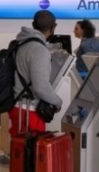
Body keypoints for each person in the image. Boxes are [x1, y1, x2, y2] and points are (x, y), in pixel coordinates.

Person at [9, 10, 63, 138]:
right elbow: (40, 87)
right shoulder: (39, 50)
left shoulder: (20, 43)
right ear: (53, 27)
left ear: (33, 25)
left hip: (16, 106)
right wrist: (58, 102)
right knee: (32, 148)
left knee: (19, 146)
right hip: (30, 111)